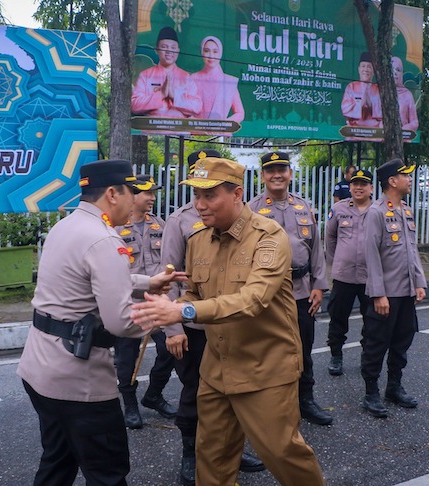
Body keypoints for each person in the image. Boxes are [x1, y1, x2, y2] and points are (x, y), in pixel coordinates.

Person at [131, 156, 326, 485]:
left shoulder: (269, 237)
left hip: (264, 369)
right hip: (216, 369)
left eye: (210, 196)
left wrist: (183, 311)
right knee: (213, 458)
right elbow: (194, 293)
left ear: (236, 195)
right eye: (196, 196)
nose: (200, 205)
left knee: (283, 453)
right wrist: (170, 307)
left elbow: (253, 300)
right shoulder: (199, 240)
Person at [16, 159, 181, 485]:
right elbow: (121, 323)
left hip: (39, 369)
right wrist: (165, 311)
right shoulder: (105, 239)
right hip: (79, 380)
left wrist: (148, 284)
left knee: (57, 464)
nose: (136, 199)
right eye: (131, 191)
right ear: (112, 194)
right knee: (108, 473)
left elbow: (87, 277)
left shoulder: (66, 226)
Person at [161, 149, 264, 485]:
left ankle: (230, 450)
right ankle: (190, 455)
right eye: (197, 184)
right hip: (194, 328)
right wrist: (174, 329)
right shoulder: (180, 221)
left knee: (235, 390)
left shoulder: (244, 220)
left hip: (234, 325)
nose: (202, 197)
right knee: (194, 395)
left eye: (211, 187)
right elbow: (169, 280)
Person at [248, 150, 332, 426]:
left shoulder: (304, 207)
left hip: (302, 291)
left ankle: (305, 400)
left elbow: (316, 249)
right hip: (269, 293)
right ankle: (271, 405)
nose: (277, 175)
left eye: (282, 169)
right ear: (263, 176)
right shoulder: (250, 210)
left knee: (303, 348)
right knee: (269, 350)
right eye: (271, 170)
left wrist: (319, 285)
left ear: (290, 174)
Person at [360, 159, 427, 418]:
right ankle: (371, 392)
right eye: (405, 176)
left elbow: (413, 250)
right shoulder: (376, 212)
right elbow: (371, 255)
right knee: (376, 343)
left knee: (401, 342)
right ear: (392, 181)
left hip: (406, 292)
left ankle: (394, 387)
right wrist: (378, 293)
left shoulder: (406, 211)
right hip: (386, 294)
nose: (409, 180)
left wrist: (419, 282)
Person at [113, 174, 178, 429]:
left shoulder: (160, 224)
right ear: (132, 195)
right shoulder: (116, 228)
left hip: (158, 301)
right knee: (126, 358)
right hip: (128, 303)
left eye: (153, 193)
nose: (152, 198)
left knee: (170, 348)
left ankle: (153, 395)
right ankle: (129, 404)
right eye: (146, 193)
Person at [325, 168, 374, 376]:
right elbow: (330, 238)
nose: (358, 187)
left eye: (363, 184)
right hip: (343, 276)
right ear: (350, 186)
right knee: (338, 318)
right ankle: (336, 355)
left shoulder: (379, 211)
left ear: (371, 188)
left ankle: (368, 356)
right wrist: (337, 263)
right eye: (355, 184)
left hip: (371, 278)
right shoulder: (338, 209)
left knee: (372, 320)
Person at [131, 26, 202, 118]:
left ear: (178, 51)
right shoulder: (145, 75)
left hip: (180, 130)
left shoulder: (187, 77)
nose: (169, 51)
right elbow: (134, 105)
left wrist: (174, 96)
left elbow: (197, 107)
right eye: (164, 47)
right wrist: (161, 94)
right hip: (152, 130)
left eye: (173, 48)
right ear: (157, 50)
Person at [190, 36, 244, 123]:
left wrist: (222, 125)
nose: (211, 55)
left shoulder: (229, 82)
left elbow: (240, 113)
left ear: (220, 54)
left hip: (221, 134)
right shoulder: (192, 79)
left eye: (215, 52)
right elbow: (184, 112)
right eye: (207, 51)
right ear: (202, 53)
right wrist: (201, 126)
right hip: (196, 134)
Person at [341, 51, 382, 127]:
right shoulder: (352, 87)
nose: (366, 69)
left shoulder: (378, 89)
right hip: (354, 131)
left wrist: (371, 105)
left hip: (376, 133)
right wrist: (360, 104)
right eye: (363, 66)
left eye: (369, 67)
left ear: (373, 71)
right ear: (359, 69)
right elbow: (345, 109)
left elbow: (385, 112)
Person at [391, 56, 419, 132]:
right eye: (392, 70)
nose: (395, 73)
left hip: (403, 138)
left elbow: (415, 122)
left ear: (402, 73)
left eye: (398, 70)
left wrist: (401, 131)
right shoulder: (381, 92)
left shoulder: (407, 95)